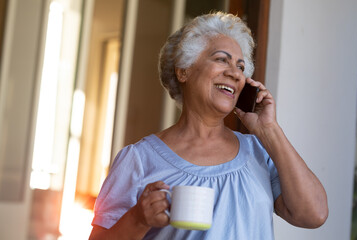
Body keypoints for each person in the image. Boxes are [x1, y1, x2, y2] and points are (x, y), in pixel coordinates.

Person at [89, 12, 328, 239]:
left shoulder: (259, 151)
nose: (235, 73)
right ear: (184, 70)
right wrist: (138, 219)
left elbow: (314, 214)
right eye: (222, 59)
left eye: (241, 67)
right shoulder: (138, 160)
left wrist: (270, 130)